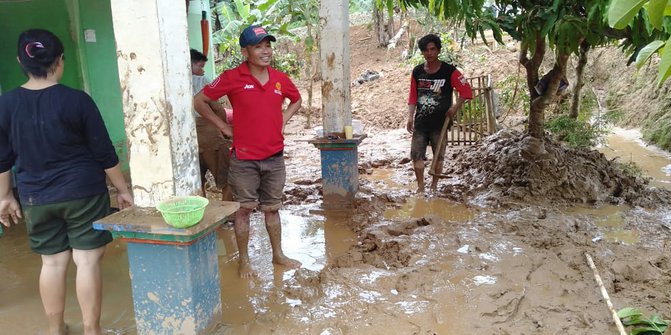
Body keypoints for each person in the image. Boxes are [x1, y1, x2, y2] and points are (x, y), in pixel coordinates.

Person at [0, 29, 134, 335]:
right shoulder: (78, 101)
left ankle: (55, 328)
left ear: (21, 60)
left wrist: (4, 196)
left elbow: (2, 158)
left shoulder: (5, 105)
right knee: (86, 262)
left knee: (52, 264)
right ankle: (92, 330)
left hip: (36, 197)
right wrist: (123, 190)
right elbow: (104, 152)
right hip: (84, 192)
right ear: (59, 61)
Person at [194, 25, 302, 278]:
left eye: (268, 45)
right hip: (244, 160)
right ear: (245, 51)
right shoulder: (232, 77)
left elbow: (296, 99)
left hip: (274, 158)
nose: (265, 51)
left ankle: (278, 255)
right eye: (258, 46)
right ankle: (245, 261)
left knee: (272, 209)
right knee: (243, 210)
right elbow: (199, 101)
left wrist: (283, 120)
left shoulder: (279, 78)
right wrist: (222, 125)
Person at [406, 33, 473, 193]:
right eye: (426, 50)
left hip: (441, 123)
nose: (429, 53)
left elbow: (466, 90)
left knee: (439, 156)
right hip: (421, 123)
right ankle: (421, 187)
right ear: (422, 52)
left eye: (432, 49)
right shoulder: (417, 72)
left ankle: (434, 187)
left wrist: (455, 107)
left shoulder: (450, 71)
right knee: (417, 156)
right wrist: (410, 117)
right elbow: (413, 96)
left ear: (438, 50)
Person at [190, 48, 233, 201]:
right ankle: (229, 212)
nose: (202, 70)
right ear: (190, 65)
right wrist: (222, 129)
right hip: (208, 133)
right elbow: (217, 108)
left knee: (195, 179)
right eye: (200, 66)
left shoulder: (173, 83)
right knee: (224, 176)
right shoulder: (203, 81)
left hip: (187, 136)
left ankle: (199, 211)